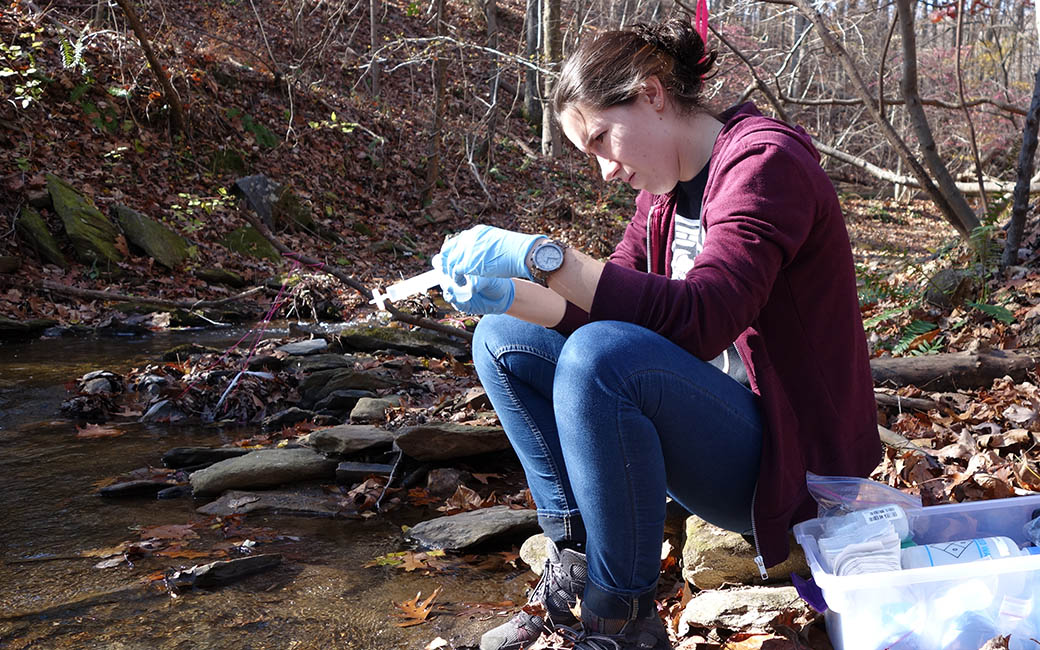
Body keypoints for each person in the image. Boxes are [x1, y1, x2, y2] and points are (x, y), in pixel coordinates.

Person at [436, 17, 881, 650]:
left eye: (601, 141)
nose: (604, 171)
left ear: (651, 94)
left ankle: (622, 620)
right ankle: (575, 567)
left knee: (601, 359)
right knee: (502, 338)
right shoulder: (665, 195)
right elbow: (607, 302)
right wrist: (511, 294)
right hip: (708, 433)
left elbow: (704, 318)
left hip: (791, 464)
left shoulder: (765, 165)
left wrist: (546, 257)